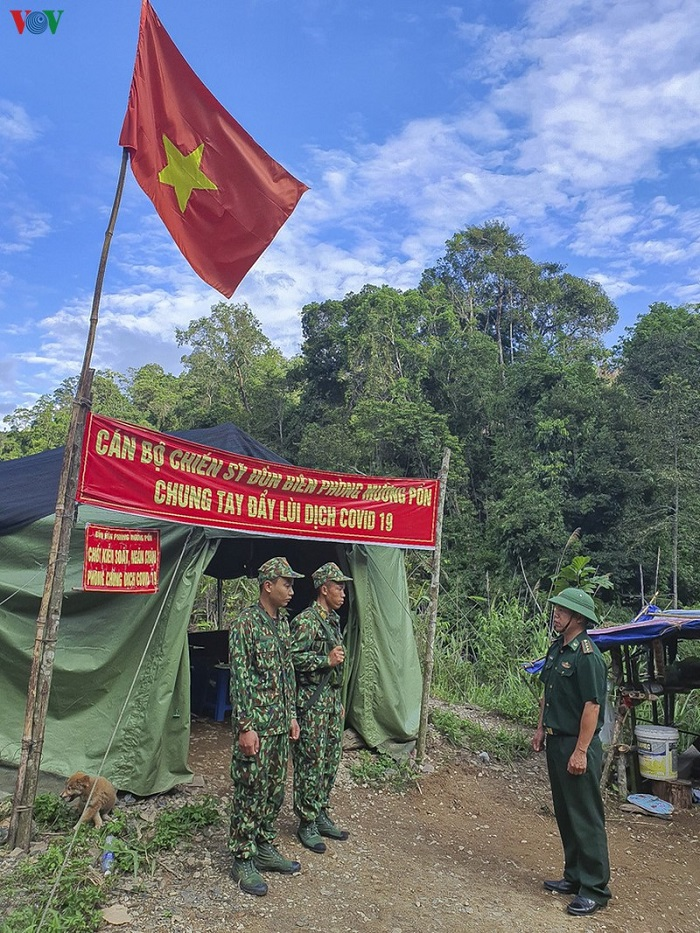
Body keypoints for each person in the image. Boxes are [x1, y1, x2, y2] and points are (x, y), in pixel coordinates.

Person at [532, 587, 612, 917]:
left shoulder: (587, 656)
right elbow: (547, 696)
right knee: (565, 811)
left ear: (578, 618)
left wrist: (580, 751)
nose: (556, 614)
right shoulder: (557, 650)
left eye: (562, 611)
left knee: (585, 814)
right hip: (556, 739)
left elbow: (592, 707)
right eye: (556, 609)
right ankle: (574, 876)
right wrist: (539, 729)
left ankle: (595, 888)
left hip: (577, 743)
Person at [228, 557, 303, 897]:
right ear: (267, 585)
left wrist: (291, 715)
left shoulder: (282, 623)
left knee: (274, 790)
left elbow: (286, 672)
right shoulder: (246, 623)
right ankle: (242, 857)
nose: (291, 590)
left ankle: (264, 845)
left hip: (277, 725)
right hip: (256, 725)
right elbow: (240, 678)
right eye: (286, 583)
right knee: (250, 791)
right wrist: (245, 726)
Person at [291, 561, 352, 854]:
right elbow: (291, 659)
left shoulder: (332, 621)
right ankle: (306, 821)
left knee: (329, 760)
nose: (343, 593)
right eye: (339, 588)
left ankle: (321, 811)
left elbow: (337, 665)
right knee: (310, 763)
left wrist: (338, 701)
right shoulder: (306, 621)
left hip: (329, 702)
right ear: (324, 589)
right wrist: (323, 661)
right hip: (311, 704)